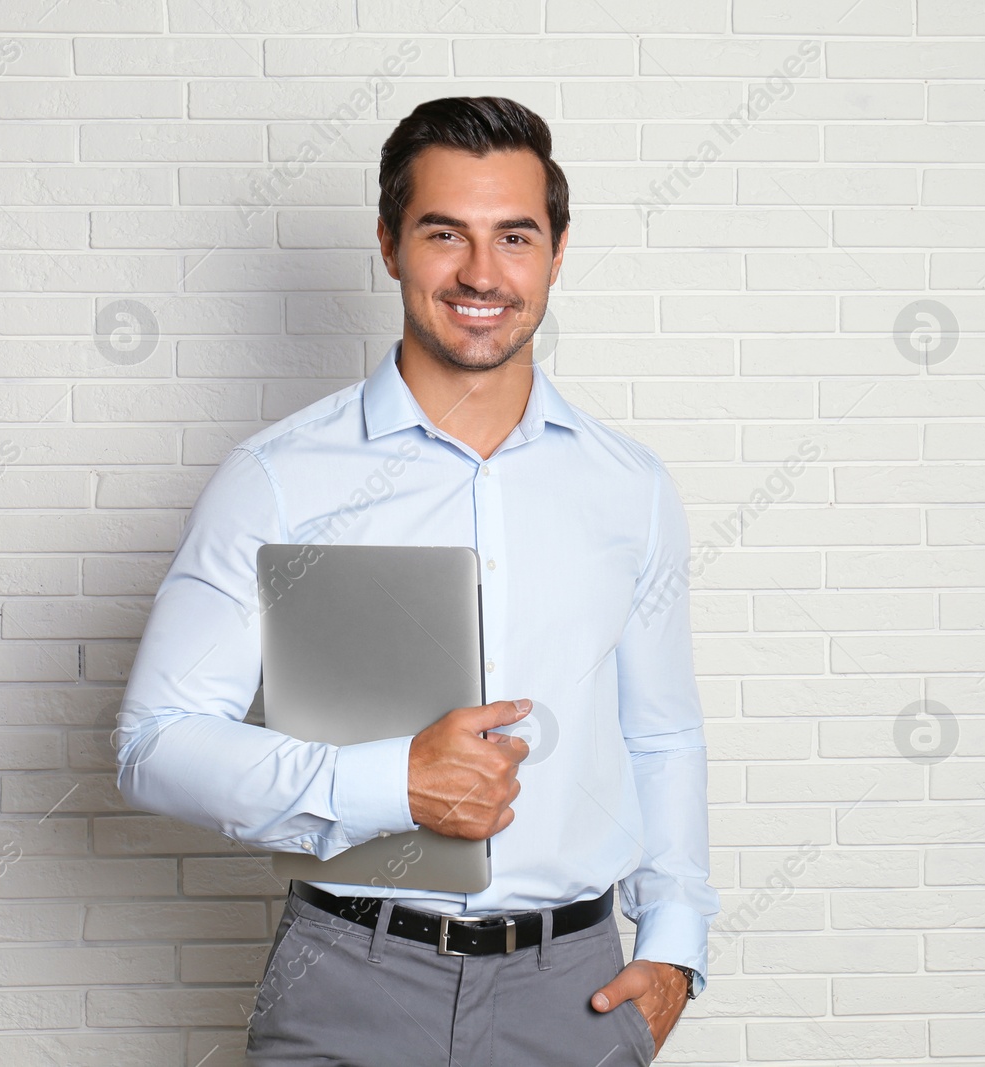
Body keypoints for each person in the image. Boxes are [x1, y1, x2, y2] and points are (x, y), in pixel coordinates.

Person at [115, 96, 718, 1066]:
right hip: (346, 974)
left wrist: (676, 942)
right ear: (392, 244)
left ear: (557, 252)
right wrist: (391, 780)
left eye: (513, 235)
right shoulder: (275, 477)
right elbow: (153, 743)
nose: (482, 273)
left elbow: (661, 729)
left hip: (575, 989)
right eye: (446, 233)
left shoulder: (630, 489)